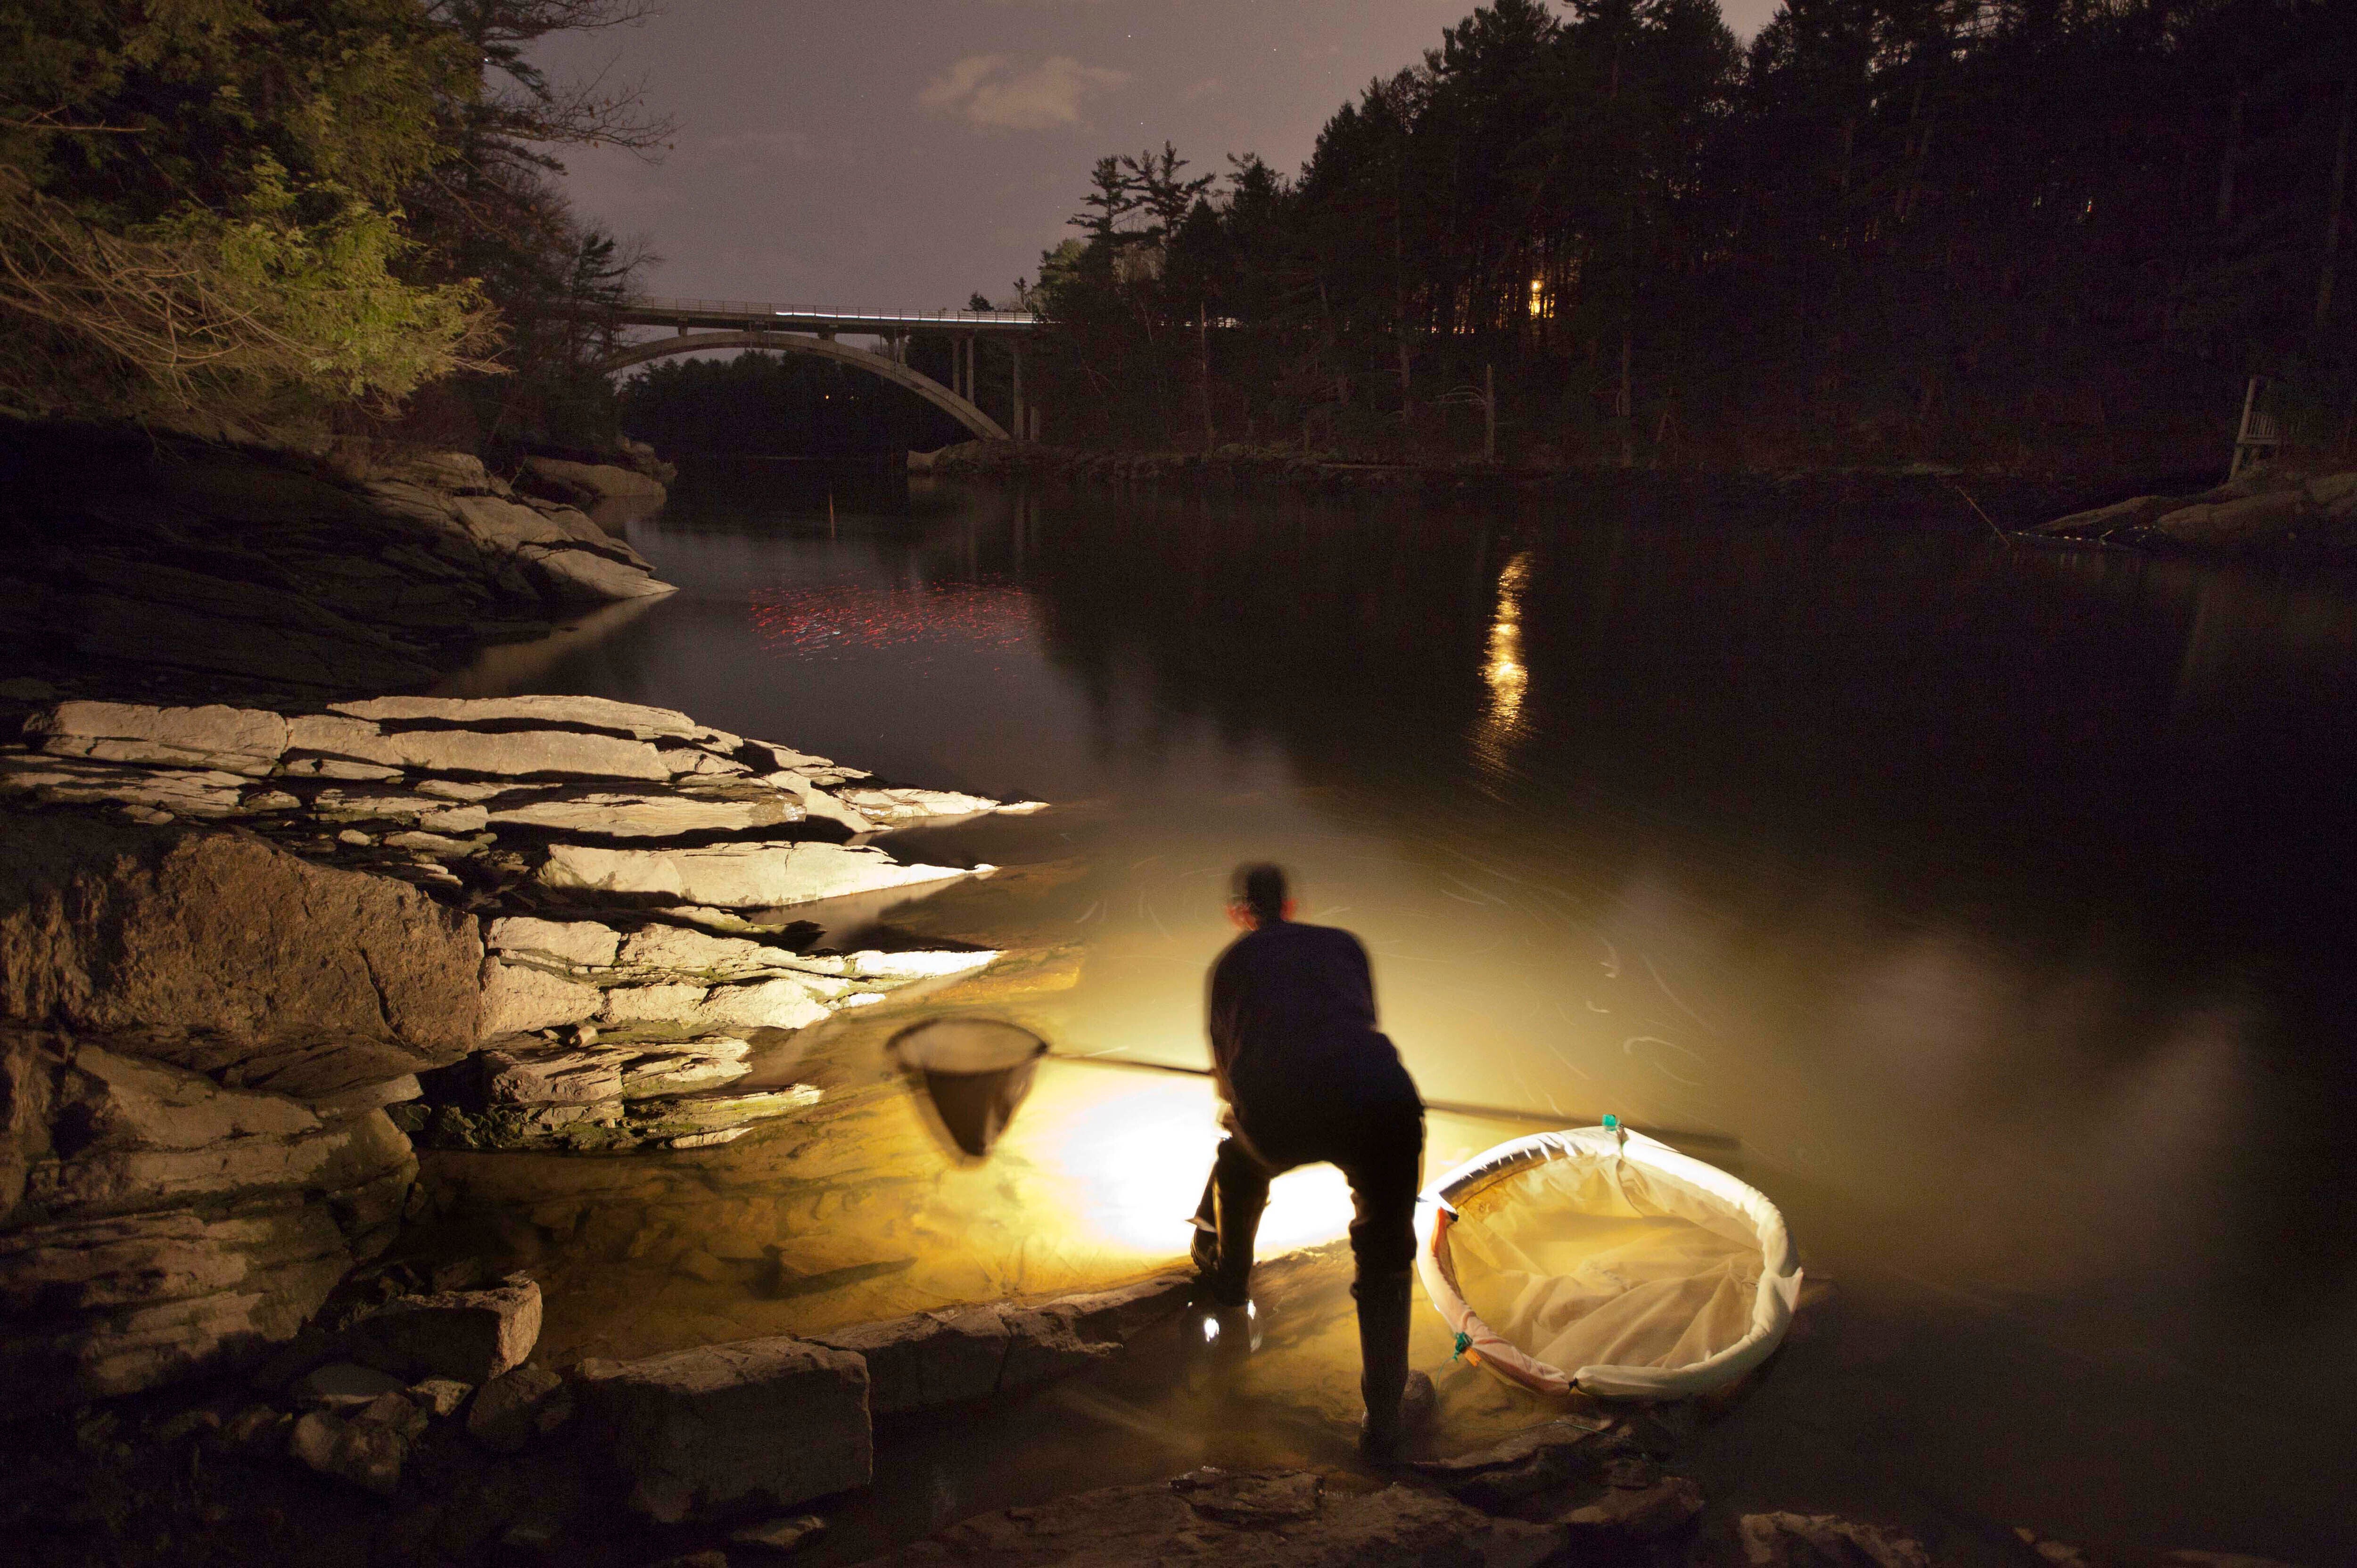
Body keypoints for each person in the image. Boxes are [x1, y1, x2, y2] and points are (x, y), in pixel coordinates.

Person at [1190, 861, 1433, 1457]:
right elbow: (1359, 1028)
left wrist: (1239, 1104)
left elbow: (1227, 1083)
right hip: (1384, 1103)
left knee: (1240, 1162)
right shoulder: (1345, 945)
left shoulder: (1228, 966)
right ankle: (1383, 1423)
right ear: (1291, 905)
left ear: (1237, 914)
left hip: (1278, 1110)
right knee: (1384, 1257)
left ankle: (1228, 1284)